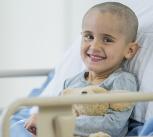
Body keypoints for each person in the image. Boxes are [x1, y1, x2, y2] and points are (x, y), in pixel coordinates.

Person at [24, 2, 139, 137]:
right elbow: (57, 114)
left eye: (107, 39)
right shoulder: (71, 83)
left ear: (130, 50)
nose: (94, 46)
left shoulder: (122, 81)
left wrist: (58, 123)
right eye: (89, 36)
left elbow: (112, 125)